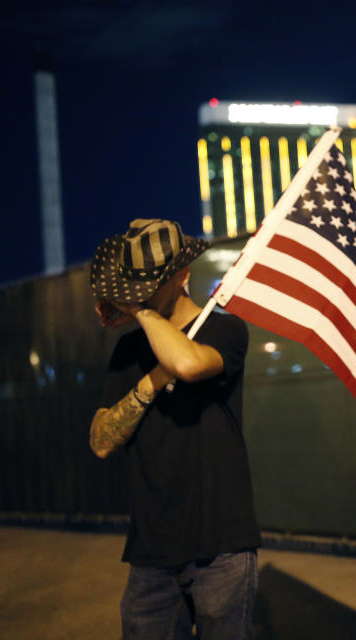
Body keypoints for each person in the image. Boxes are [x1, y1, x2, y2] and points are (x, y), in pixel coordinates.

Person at [89, 218, 261, 640]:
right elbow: (101, 441)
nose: (139, 296)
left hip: (221, 545)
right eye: (133, 287)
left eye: (148, 286)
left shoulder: (224, 329)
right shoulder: (128, 349)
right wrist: (150, 381)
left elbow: (186, 364)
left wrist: (141, 310)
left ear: (182, 276)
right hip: (152, 553)